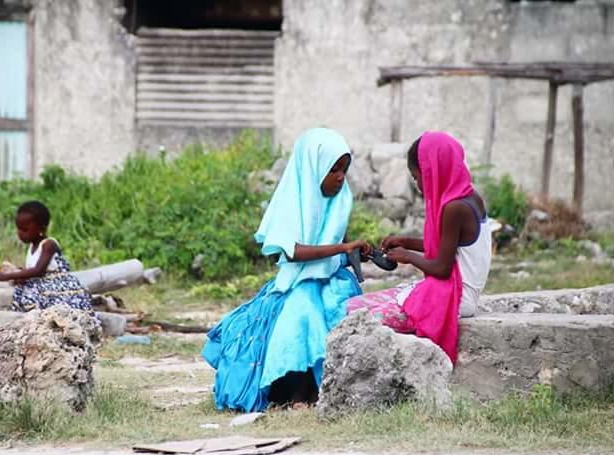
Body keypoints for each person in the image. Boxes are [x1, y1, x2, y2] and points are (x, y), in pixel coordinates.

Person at [202, 128, 371, 412]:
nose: (340, 177)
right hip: (298, 281)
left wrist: (355, 251)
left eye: (344, 170)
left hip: (331, 279)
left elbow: (337, 241)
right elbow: (292, 252)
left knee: (344, 308)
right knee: (301, 315)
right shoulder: (292, 202)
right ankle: (297, 396)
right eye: (333, 170)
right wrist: (341, 249)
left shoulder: (339, 201)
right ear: (314, 169)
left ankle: (329, 388)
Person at [347, 132, 492, 363]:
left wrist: (408, 256)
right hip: (459, 291)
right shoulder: (467, 195)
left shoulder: (454, 208)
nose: (417, 184)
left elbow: (442, 268)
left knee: (356, 313)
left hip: (454, 298)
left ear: (432, 170)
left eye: (416, 177)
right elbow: (449, 244)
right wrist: (406, 242)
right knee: (358, 306)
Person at [0, 200, 93, 312]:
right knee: (23, 294)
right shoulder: (31, 247)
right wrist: (20, 276)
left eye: (24, 229)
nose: (20, 233)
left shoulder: (48, 245)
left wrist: (7, 276)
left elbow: (39, 270)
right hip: (40, 284)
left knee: (46, 301)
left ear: (42, 228)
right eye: (18, 229)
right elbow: (32, 272)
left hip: (57, 285)